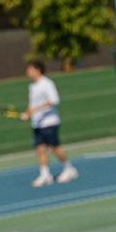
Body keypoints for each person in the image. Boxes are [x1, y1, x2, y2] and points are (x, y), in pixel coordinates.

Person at [22, 59, 77, 187]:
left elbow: (54, 100)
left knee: (54, 147)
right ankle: (45, 174)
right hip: (37, 124)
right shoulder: (32, 86)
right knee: (40, 149)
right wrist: (27, 113)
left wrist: (36, 110)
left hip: (50, 122)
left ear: (37, 70)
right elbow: (32, 105)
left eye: (30, 69)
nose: (27, 72)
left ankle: (69, 169)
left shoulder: (47, 83)